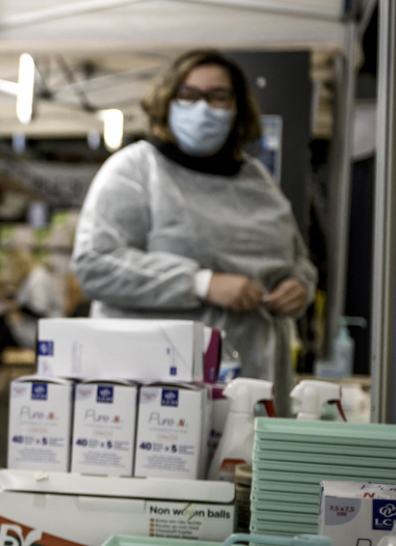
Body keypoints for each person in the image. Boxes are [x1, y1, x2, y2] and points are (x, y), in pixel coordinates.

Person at [71, 50, 317, 409]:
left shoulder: (257, 180)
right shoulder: (135, 169)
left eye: (218, 96)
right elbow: (95, 264)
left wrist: (300, 285)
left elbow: (297, 258)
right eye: (188, 95)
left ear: (237, 109)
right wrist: (200, 283)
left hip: (258, 382)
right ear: (166, 102)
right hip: (157, 394)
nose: (202, 108)